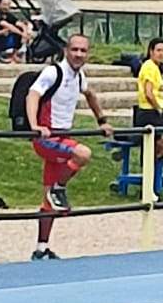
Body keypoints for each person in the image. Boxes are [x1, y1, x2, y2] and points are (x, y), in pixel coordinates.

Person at [25, 32, 110, 261]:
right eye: (75, 50)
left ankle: (41, 248)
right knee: (83, 153)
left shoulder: (79, 76)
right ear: (66, 51)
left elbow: (90, 95)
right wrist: (35, 125)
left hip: (62, 137)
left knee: (47, 202)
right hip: (47, 137)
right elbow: (33, 94)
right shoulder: (54, 72)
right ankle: (58, 187)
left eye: (83, 50)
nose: (78, 54)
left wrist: (101, 120)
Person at [133, 37, 163, 137]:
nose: (161, 53)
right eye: (158, 50)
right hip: (149, 112)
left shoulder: (155, 67)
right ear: (151, 51)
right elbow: (148, 93)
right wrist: (157, 108)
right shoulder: (149, 67)